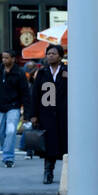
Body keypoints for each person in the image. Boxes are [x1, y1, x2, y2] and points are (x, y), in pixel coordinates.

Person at [31, 45, 68, 185]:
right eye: (48, 53)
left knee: (67, 145)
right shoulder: (42, 73)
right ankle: (48, 172)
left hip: (64, 114)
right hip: (46, 114)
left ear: (60, 56)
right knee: (49, 145)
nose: (50, 56)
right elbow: (35, 94)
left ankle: (70, 175)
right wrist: (33, 114)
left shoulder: (67, 71)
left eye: (53, 53)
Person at [0, 50, 31, 168]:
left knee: (11, 131)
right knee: (1, 133)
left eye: (6, 58)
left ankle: (8, 157)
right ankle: (5, 147)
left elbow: (25, 94)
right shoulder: (0, 70)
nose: (4, 60)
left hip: (14, 106)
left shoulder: (19, 73)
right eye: (3, 58)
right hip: (1, 106)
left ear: (13, 59)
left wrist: (27, 114)